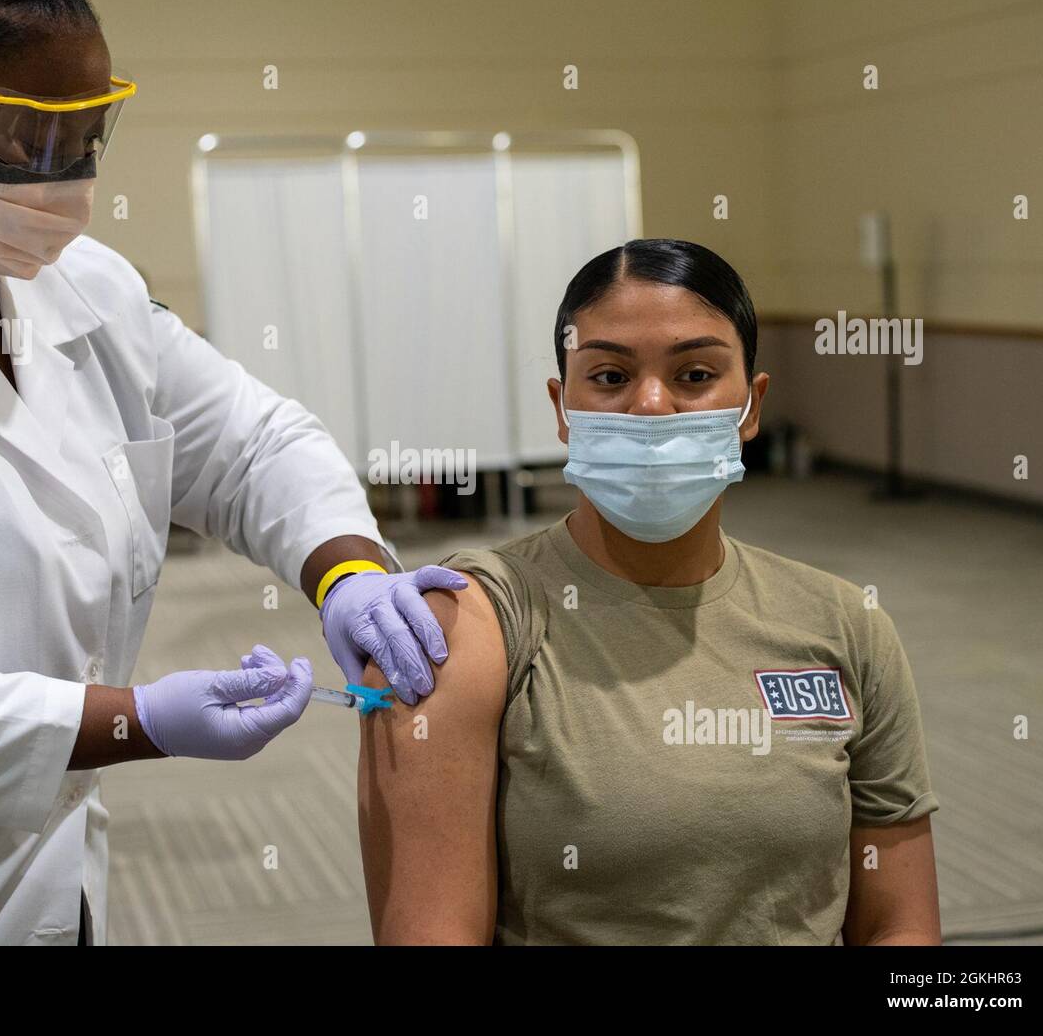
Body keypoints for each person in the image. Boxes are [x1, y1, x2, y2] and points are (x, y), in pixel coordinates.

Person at [0, 0, 464, 946]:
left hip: (53, 877)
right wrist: (138, 721)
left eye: (89, 139)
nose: (65, 180)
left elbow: (252, 443)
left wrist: (346, 570)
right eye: (30, 139)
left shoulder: (80, 283)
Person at [357, 239, 942, 945]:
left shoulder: (846, 625)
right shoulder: (465, 625)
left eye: (695, 374)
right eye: (609, 376)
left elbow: (900, 928)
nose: (653, 407)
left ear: (751, 407)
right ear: (563, 408)